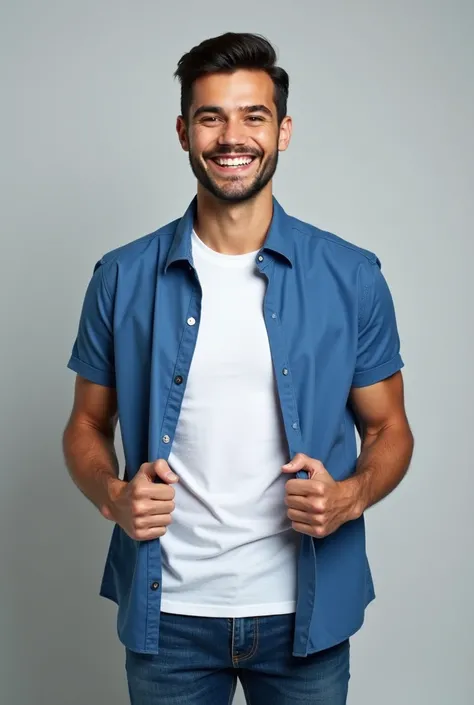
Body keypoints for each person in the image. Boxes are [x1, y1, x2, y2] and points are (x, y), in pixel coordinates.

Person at [63, 32, 414, 705]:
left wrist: (351, 495)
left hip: (304, 618)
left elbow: (390, 429)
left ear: (283, 131)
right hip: (168, 620)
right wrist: (113, 495)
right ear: (183, 131)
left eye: (253, 116)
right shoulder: (121, 277)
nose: (233, 136)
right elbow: (84, 424)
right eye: (211, 116)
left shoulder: (351, 276)